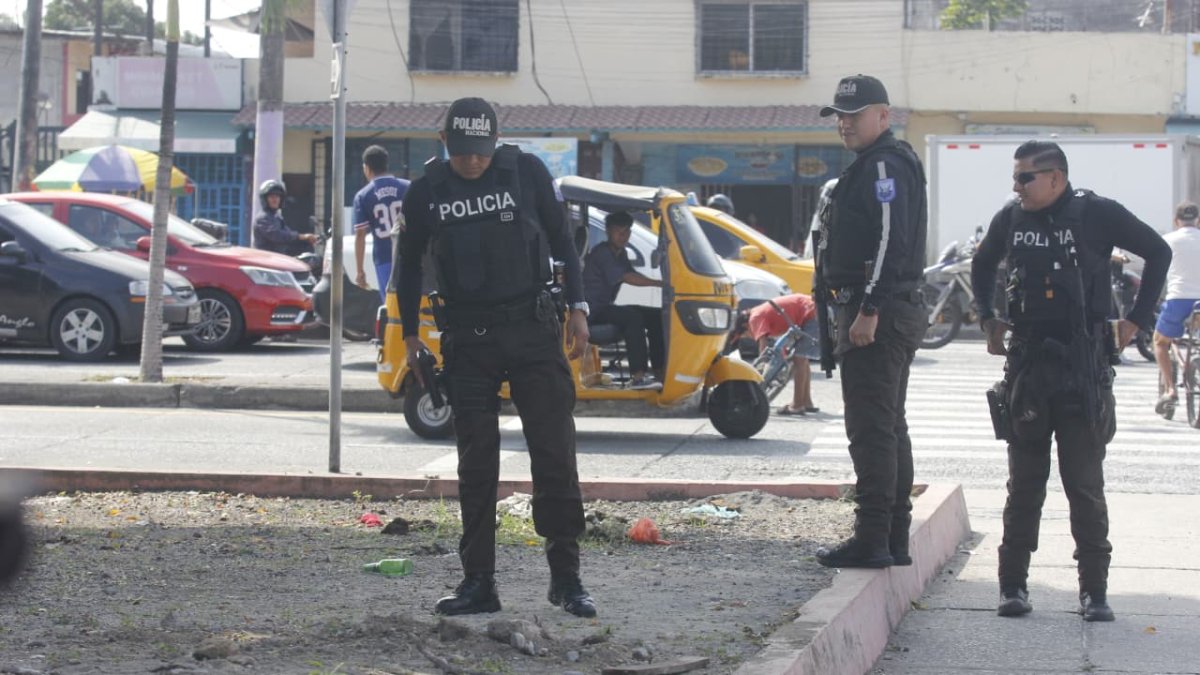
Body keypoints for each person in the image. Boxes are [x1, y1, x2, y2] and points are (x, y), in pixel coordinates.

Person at [397, 97, 596, 618]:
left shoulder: (525, 170)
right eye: (463, 153)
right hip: (467, 341)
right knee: (476, 465)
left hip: (532, 331)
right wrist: (410, 338)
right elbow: (407, 267)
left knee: (554, 453)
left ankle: (566, 578)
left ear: (495, 141)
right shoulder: (426, 192)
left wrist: (577, 307)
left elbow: (562, 241)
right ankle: (478, 582)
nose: (473, 162)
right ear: (445, 144)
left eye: (481, 152)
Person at [972, 140, 1170, 622]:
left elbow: (1158, 252)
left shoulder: (1097, 213)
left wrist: (1138, 321)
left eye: (1025, 178)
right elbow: (982, 263)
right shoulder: (1011, 217)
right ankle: (1012, 586)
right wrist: (987, 318)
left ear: (1056, 178)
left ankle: (1094, 592)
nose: (1015, 186)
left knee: (1084, 485)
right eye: (1015, 177)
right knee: (1024, 485)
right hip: (1028, 368)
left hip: (1083, 368)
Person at [812, 74, 930, 570]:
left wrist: (869, 309)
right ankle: (893, 536)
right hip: (885, 308)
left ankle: (874, 538)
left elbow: (889, 240)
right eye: (840, 115)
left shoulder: (883, 163)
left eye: (854, 115)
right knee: (888, 426)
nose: (844, 124)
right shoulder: (876, 163)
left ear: (883, 115)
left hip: (878, 312)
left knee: (871, 430)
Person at [582, 211, 665, 390]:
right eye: (618, 232)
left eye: (626, 232)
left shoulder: (621, 253)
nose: (623, 236)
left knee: (655, 315)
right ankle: (638, 377)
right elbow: (627, 277)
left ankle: (660, 371)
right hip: (592, 311)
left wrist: (662, 282)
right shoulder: (602, 253)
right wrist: (660, 283)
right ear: (608, 232)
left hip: (605, 308)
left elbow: (633, 274)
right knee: (633, 317)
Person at [1153, 201, 1200, 416]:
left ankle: (1171, 390)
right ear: (1197, 220)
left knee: (1160, 342)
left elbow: (1156, 269)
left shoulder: (1168, 240)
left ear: (1176, 221)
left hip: (1178, 300)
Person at [742, 294, 820, 415]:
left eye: (746, 335)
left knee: (798, 359)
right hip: (813, 309)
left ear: (744, 326)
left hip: (811, 312)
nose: (750, 337)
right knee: (802, 360)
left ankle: (797, 405)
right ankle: (806, 401)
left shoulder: (754, 317)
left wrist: (760, 373)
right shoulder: (759, 312)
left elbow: (763, 351)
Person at [352, 145, 410, 304]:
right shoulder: (409, 187)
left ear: (367, 168)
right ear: (386, 164)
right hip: (412, 255)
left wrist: (360, 270)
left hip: (384, 256)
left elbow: (360, 235)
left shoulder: (363, 196)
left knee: (391, 306)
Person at [253, 179, 316, 255]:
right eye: (272, 197)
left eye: (277, 197)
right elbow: (277, 236)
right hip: (266, 260)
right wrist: (301, 236)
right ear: (265, 199)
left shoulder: (276, 217)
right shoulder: (262, 218)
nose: (275, 200)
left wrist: (307, 239)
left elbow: (288, 233)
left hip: (278, 257)